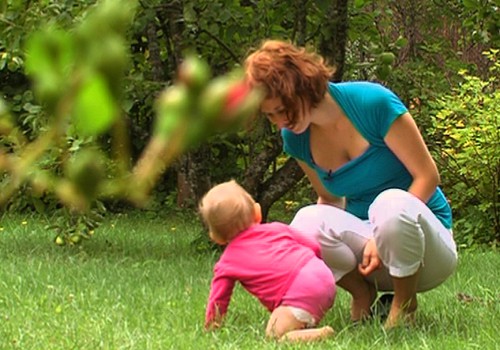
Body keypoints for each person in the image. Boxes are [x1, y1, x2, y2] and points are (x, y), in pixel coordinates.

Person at [243, 39, 458, 329]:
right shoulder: (295, 138)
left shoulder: (373, 103)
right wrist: (310, 260)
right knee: (304, 222)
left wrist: (379, 236)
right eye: (271, 115)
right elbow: (329, 200)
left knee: (390, 204)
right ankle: (362, 293)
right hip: (371, 258)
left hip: (427, 250)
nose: (280, 122)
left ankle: (404, 303)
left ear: (302, 86)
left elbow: (427, 176)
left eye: (283, 110)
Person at [199, 180, 336, 342]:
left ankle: (320, 334)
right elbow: (313, 245)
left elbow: (218, 300)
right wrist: (317, 271)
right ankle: (304, 318)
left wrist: (211, 327)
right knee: (291, 314)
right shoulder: (277, 228)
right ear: (257, 212)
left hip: (301, 291)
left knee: (274, 334)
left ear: (217, 237)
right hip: (324, 276)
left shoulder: (226, 263)